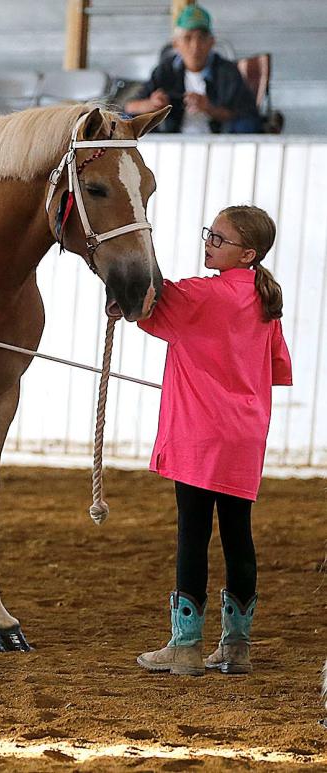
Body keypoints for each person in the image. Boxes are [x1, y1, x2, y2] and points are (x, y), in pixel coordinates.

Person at [135, 205, 292, 676]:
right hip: (244, 436)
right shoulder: (266, 303)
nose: (209, 242)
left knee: (193, 533)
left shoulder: (198, 295)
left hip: (200, 436)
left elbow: (145, 304)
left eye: (219, 239)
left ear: (247, 253)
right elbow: (277, 369)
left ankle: (185, 646)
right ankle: (236, 646)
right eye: (210, 234)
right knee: (238, 535)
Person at [123, 4, 260, 134]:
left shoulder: (227, 72)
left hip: (218, 145)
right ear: (176, 44)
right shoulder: (165, 71)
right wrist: (152, 105)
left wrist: (209, 108)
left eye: (201, 38)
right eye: (188, 38)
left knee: (247, 124)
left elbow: (247, 116)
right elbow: (129, 107)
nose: (195, 46)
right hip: (172, 144)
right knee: (125, 121)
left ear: (211, 42)